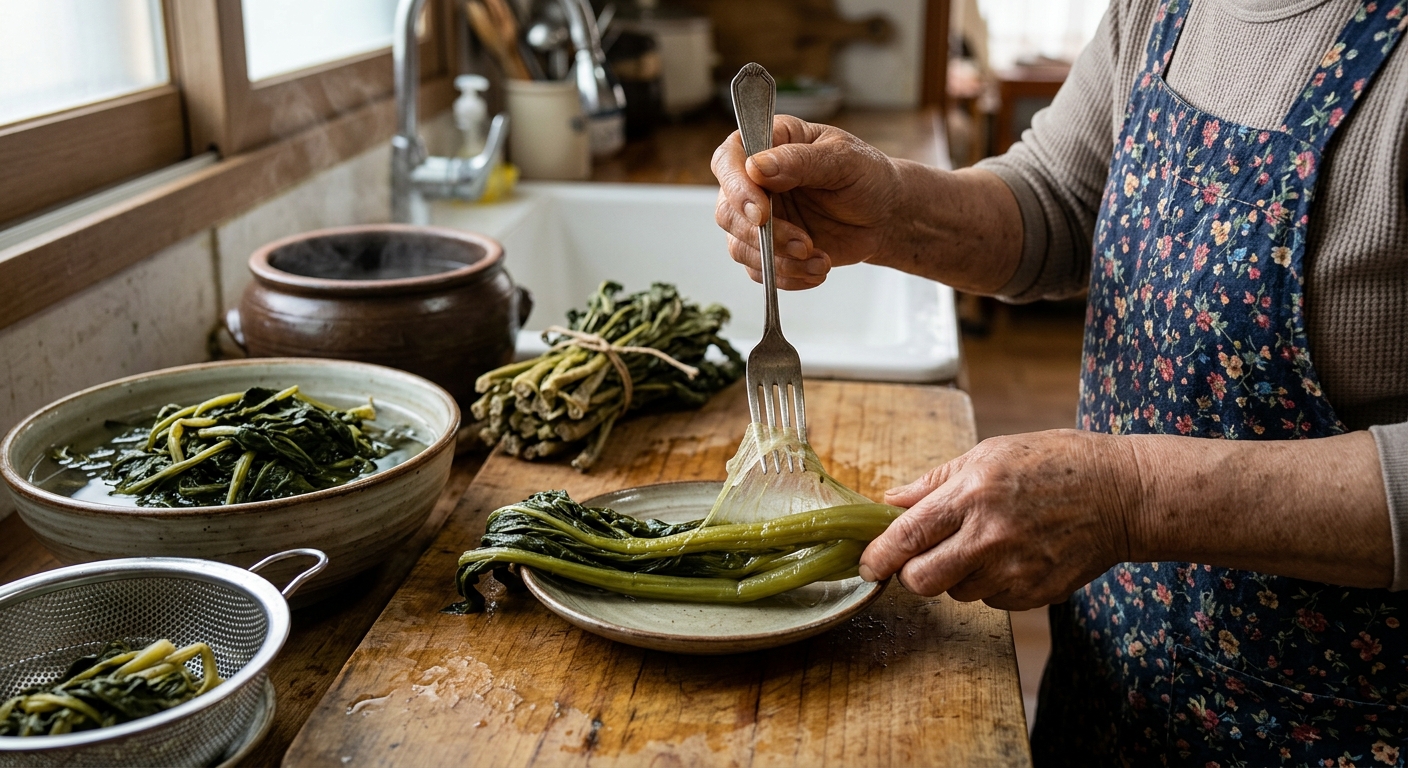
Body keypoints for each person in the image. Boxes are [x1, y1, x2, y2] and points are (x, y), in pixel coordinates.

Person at [711, 0, 1408, 764]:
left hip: (1336, 727)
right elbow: (1059, 200)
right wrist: (891, 210)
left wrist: (1131, 496)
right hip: (1111, 679)